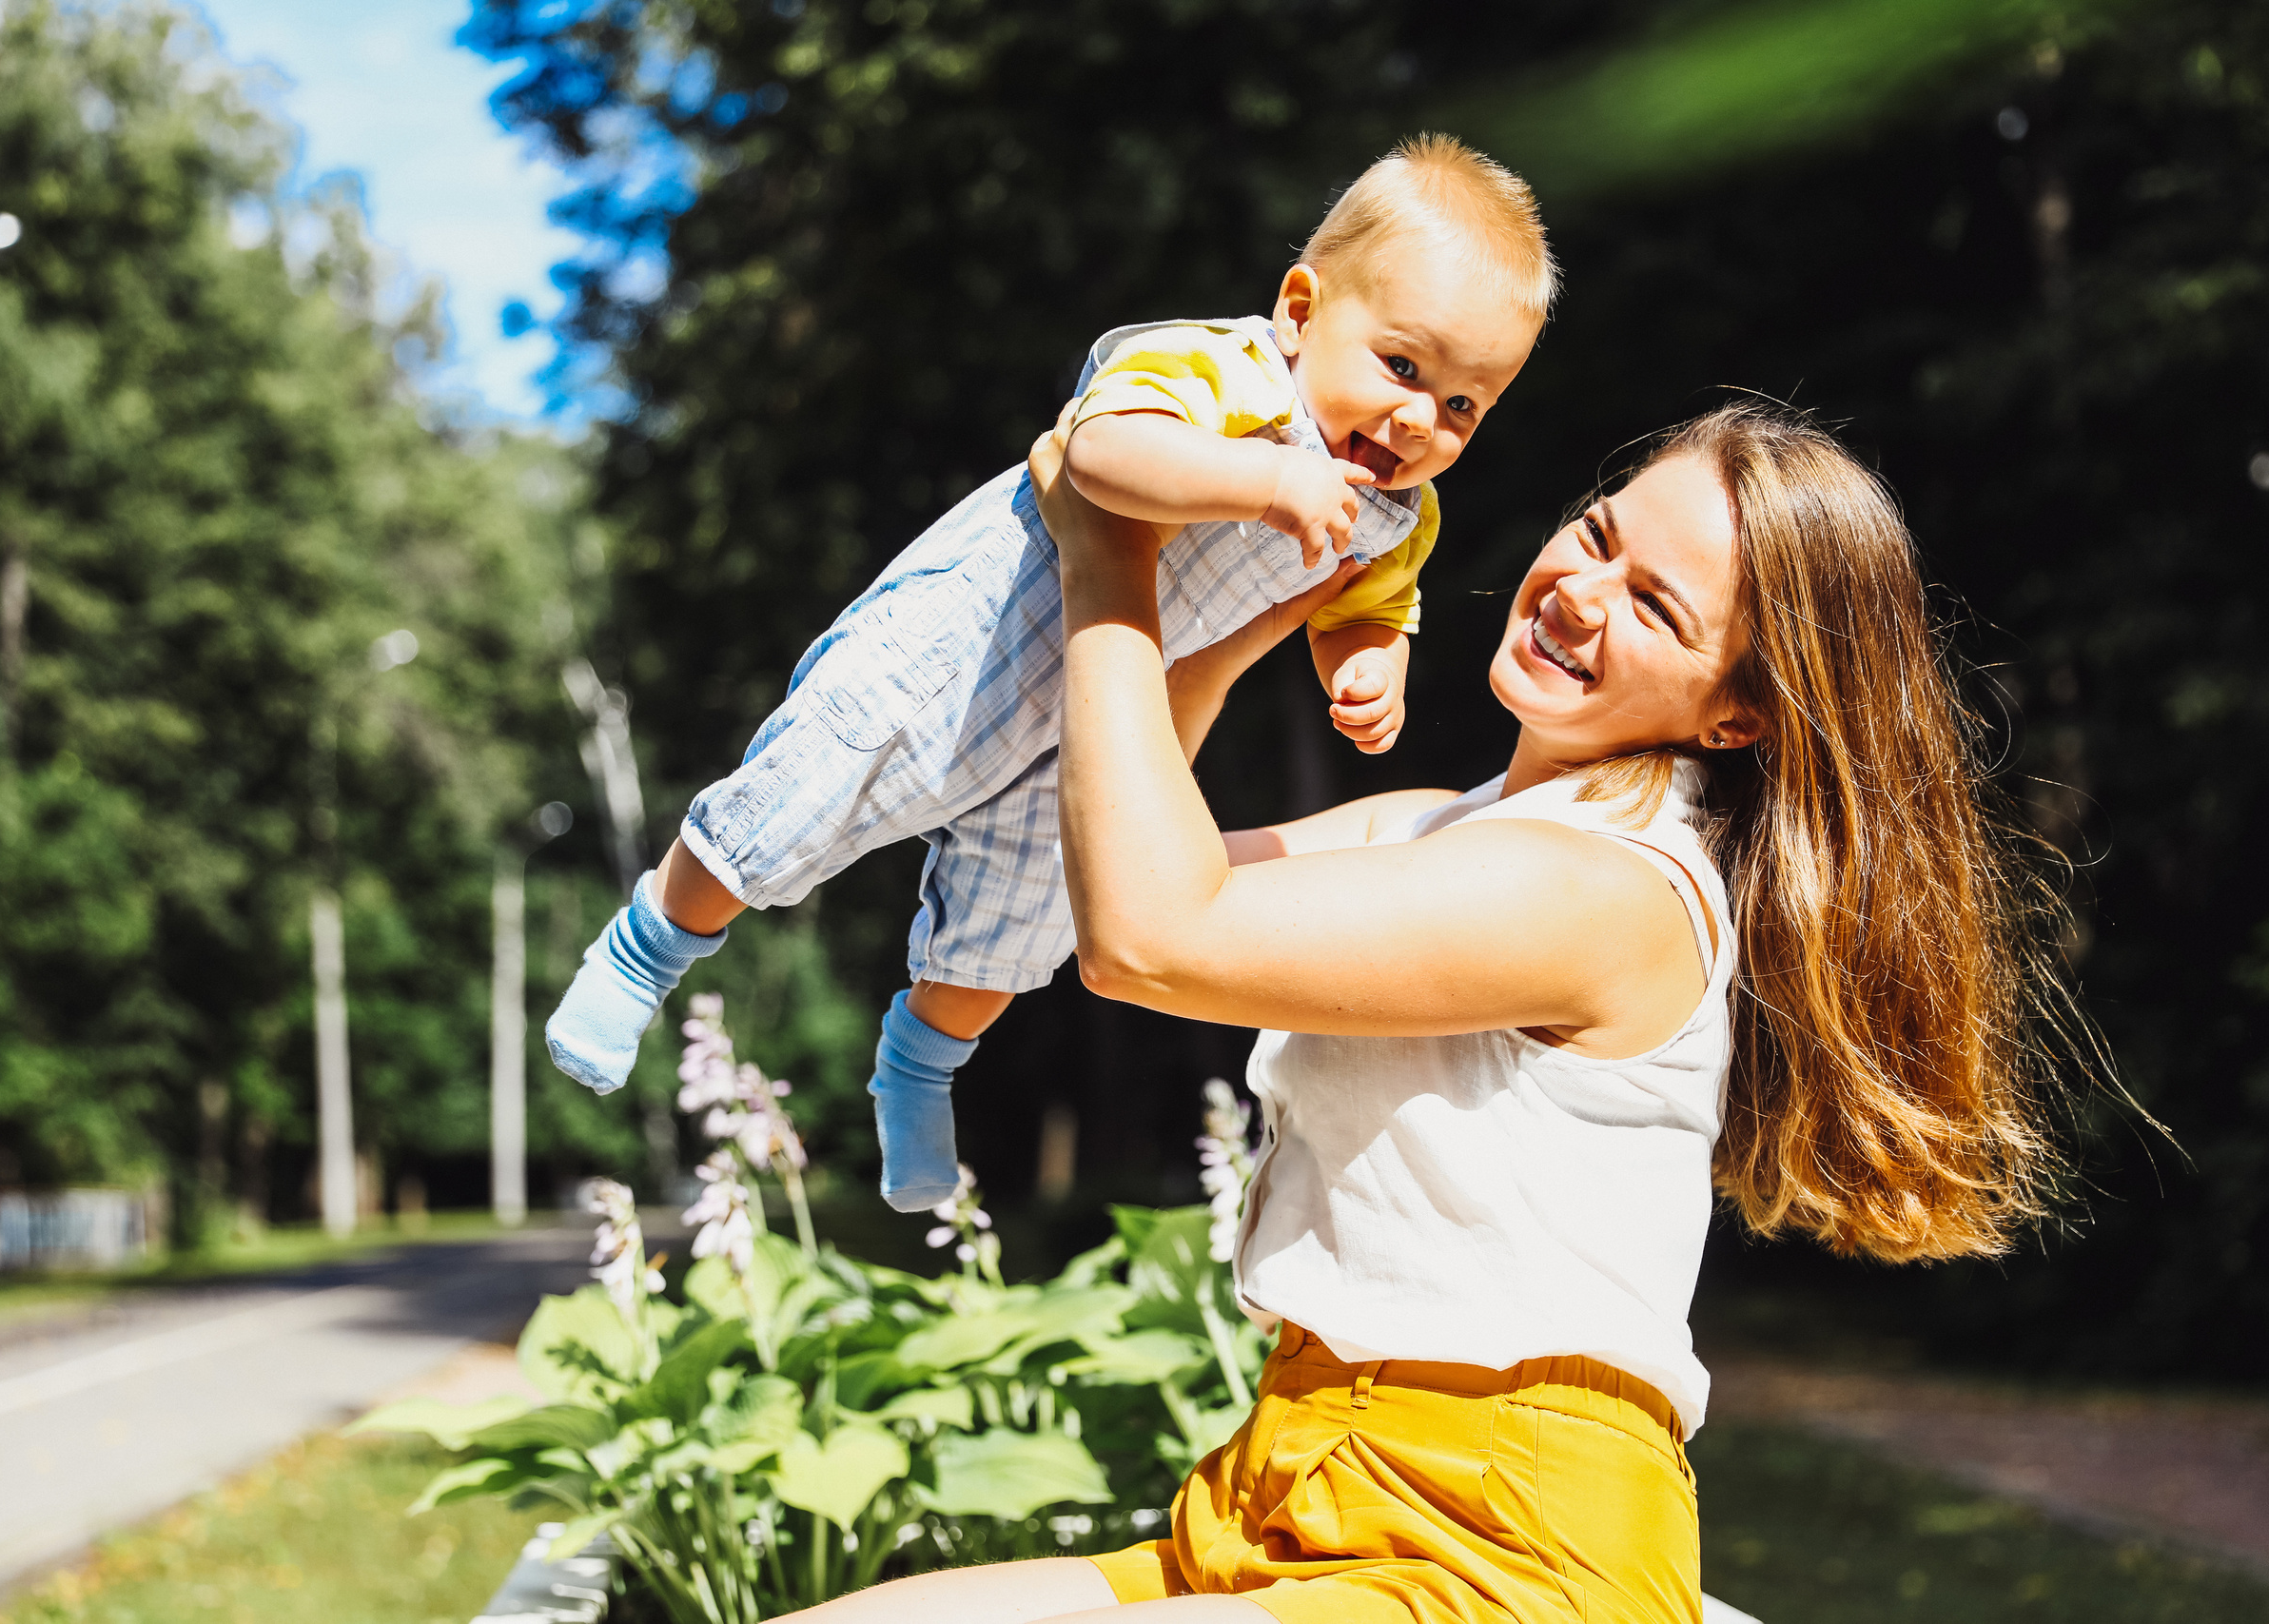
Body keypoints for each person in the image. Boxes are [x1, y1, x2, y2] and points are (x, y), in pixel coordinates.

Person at [777, 400, 2086, 1624]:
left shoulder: (1605, 888)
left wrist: (1108, 562)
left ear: (1737, 712)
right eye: (1597, 532)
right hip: (1283, 1480)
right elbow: (1105, 874)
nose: (1580, 590)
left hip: (1499, 1538)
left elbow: (1150, 942)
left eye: (1654, 604)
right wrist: (1248, 602)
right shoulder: (1442, 829)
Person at [541, 134, 1556, 1211]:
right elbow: (1099, 457)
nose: (1419, 422)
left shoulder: (1401, 515)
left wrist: (1367, 668)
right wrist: (1262, 478)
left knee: (1015, 929)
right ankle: (645, 948)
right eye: (1403, 367)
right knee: (796, 800)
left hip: (1098, 717)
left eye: (1463, 407)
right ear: (1301, 312)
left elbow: (1363, 610)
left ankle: (919, 1069)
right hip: (970, 644)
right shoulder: (1223, 369)